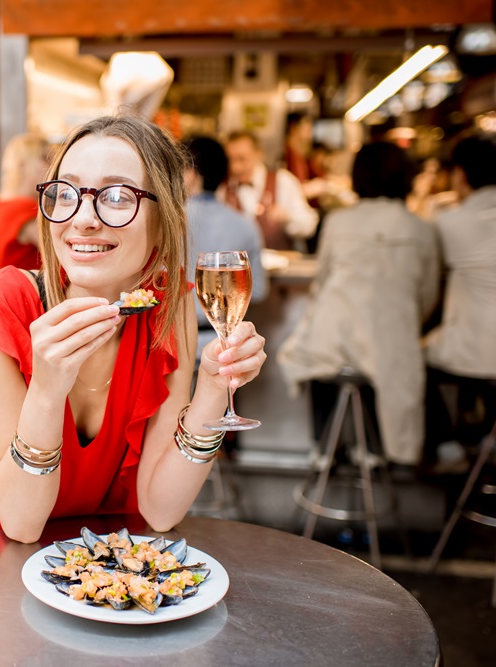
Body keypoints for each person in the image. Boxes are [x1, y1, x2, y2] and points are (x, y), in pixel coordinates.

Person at [0, 115, 267, 581]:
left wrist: (214, 393)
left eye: (117, 197)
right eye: (67, 193)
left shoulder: (166, 304)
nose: (84, 219)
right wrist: (46, 390)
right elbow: (19, 521)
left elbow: (160, 509)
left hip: (83, 575)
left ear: (165, 220)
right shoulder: (2, 306)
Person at [278, 142, 440, 465]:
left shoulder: (338, 222)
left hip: (331, 343)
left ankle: (324, 447)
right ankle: (375, 449)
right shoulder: (421, 229)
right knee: (381, 353)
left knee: (321, 347)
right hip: (390, 349)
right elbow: (428, 297)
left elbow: (321, 284)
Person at [423, 132, 496, 459]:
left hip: (480, 356)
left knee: (413, 356)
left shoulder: (450, 222)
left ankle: (447, 445)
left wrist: (429, 201)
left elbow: (421, 263)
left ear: (460, 174)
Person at [184, 135, 269, 359]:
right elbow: (259, 291)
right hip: (226, 345)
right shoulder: (245, 225)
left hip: (173, 343)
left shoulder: (166, 222)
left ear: (190, 174)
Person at [223, 130, 318, 251]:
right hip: (237, 267)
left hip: (280, 265)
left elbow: (308, 226)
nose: (235, 167)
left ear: (259, 154)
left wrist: (287, 218)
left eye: (242, 159)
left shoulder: (283, 181)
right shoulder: (222, 187)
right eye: (230, 159)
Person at [0, 133, 50, 279]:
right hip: (11, 299)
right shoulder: (23, 209)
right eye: (45, 158)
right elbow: (60, 254)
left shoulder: (0, 204)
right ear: (23, 165)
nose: (51, 166)